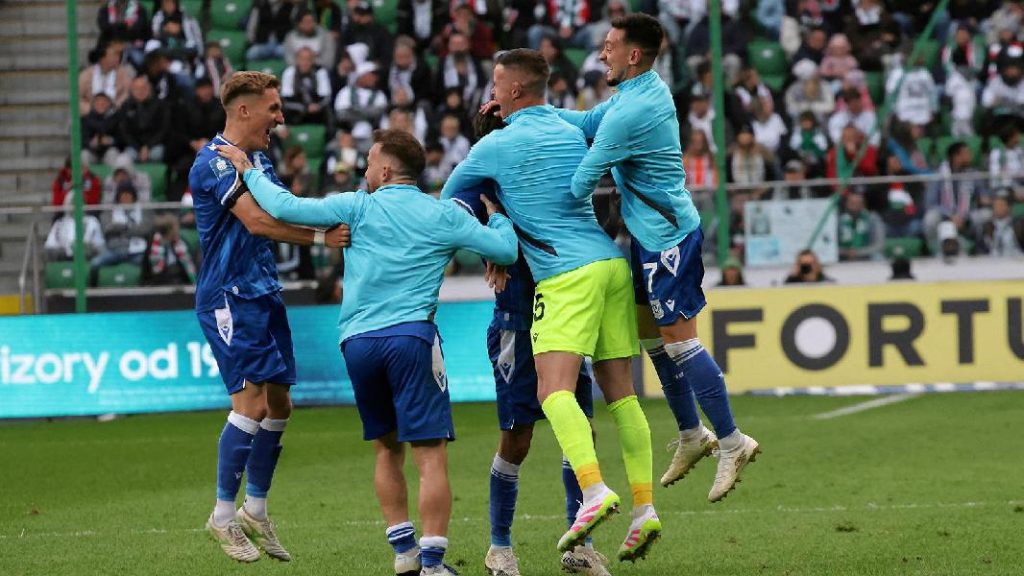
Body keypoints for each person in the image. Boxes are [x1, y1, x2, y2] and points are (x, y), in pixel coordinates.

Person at [216, 128, 519, 576]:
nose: (365, 169)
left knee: (385, 449)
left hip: (358, 343)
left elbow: (284, 207)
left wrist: (248, 171)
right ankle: (433, 565)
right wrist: (497, 217)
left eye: (371, 161)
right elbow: (506, 251)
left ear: (387, 170)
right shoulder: (441, 213)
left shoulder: (356, 206)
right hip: (411, 338)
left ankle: (404, 554)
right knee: (430, 454)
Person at [444, 49, 662, 562]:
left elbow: (449, 205)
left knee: (553, 391)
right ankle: (643, 508)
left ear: (514, 90)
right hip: (611, 263)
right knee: (622, 395)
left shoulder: (494, 146)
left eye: (496, 84)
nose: (491, 92)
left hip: (565, 275)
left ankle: (593, 491)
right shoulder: (571, 128)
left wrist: (494, 230)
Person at [552, 14, 761, 504]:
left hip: (669, 238)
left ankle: (732, 441)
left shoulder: (632, 111)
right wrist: (531, 114)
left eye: (609, 46)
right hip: (647, 237)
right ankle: (692, 434)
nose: (601, 54)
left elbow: (580, 183)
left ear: (633, 54)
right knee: (652, 339)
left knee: (679, 341)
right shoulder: (635, 93)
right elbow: (585, 123)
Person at [187, 71, 350, 564]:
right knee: (252, 404)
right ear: (243, 109)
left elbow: (285, 208)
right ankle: (222, 515)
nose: (280, 118)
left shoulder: (257, 159)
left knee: (280, 405)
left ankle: (254, 510)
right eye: (273, 109)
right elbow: (258, 221)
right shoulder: (213, 163)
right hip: (229, 295)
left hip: (263, 290)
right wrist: (322, 239)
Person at [448, 111, 613, 576]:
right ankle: (499, 547)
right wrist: (492, 243)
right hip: (516, 322)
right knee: (518, 438)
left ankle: (580, 545)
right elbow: (454, 219)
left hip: (561, 314)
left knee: (581, 432)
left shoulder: (545, 169)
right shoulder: (480, 185)